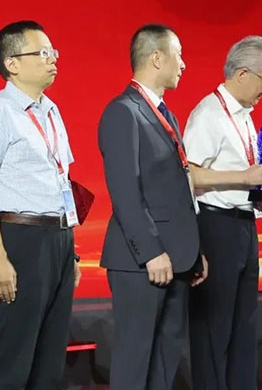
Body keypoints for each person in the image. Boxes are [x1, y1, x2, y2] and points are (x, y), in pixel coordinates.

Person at [0, 20, 81, 389]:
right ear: (12, 63)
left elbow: (61, 181)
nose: (53, 60)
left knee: (50, 365)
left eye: (53, 52)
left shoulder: (51, 110)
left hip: (59, 240)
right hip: (21, 240)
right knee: (14, 363)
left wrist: (72, 251)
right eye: (43, 53)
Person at [98, 24, 207, 390]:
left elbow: (176, 188)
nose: (184, 64)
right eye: (179, 55)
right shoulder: (123, 112)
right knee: (135, 359)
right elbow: (125, 191)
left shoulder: (165, 114)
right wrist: (150, 251)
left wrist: (194, 250)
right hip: (141, 261)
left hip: (177, 258)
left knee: (165, 359)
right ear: (157, 57)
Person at [183, 35, 262, 390]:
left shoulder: (244, 117)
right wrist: (243, 177)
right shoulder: (208, 114)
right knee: (214, 328)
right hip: (216, 227)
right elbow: (189, 175)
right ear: (242, 74)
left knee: (244, 327)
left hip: (244, 226)